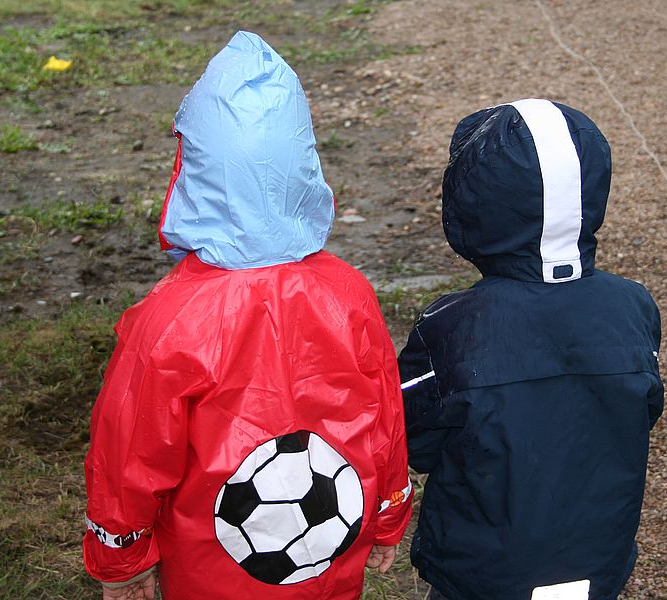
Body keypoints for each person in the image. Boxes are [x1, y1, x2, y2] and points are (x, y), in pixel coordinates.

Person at [82, 31, 412, 600]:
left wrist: (122, 553)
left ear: (195, 171)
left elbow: (129, 450)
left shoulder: (170, 318)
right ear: (304, 167)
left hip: (210, 576)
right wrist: (386, 516)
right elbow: (386, 419)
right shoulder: (348, 292)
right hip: (329, 564)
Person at [398, 99, 664, 600]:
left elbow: (414, 441)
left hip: (480, 572)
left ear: (470, 205)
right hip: (598, 563)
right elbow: (642, 410)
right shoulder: (633, 306)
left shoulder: (451, 325)